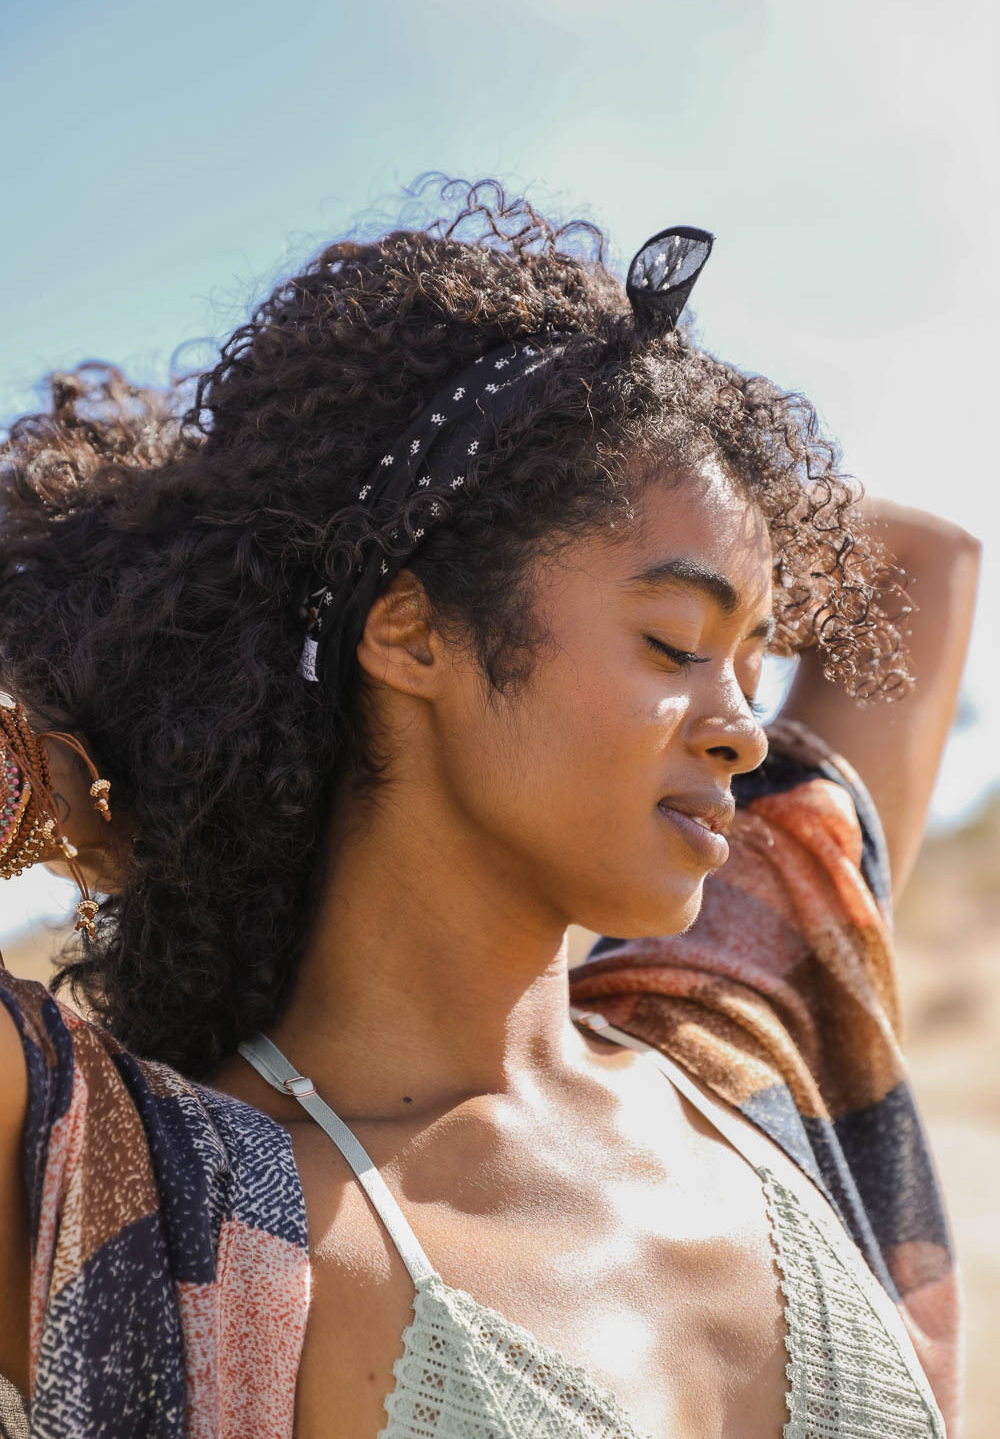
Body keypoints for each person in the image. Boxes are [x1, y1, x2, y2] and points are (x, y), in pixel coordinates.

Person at [0, 180, 980, 1439]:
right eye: (672, 641)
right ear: (410, 634)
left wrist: (639, 412)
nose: (742, 726)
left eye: (753, 655)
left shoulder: (731, 1051)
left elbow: (926, 566)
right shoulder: (173, 1203)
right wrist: (81, 785)